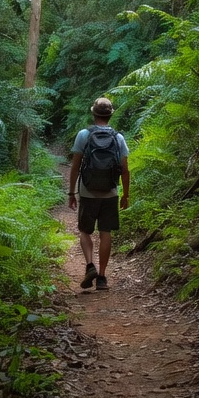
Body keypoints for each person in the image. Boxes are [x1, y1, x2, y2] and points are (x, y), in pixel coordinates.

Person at [67, 97, 130, 291]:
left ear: (93, 114)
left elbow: (75, 166)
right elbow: (125, 170)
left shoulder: (84, 135)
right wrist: (125, 195)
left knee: (85, 231)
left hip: (87, 191)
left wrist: (71, 192)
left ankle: (89, 265)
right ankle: (102, 277)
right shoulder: (118, 138)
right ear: (110, 115)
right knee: (106, 233)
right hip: (110, 193)